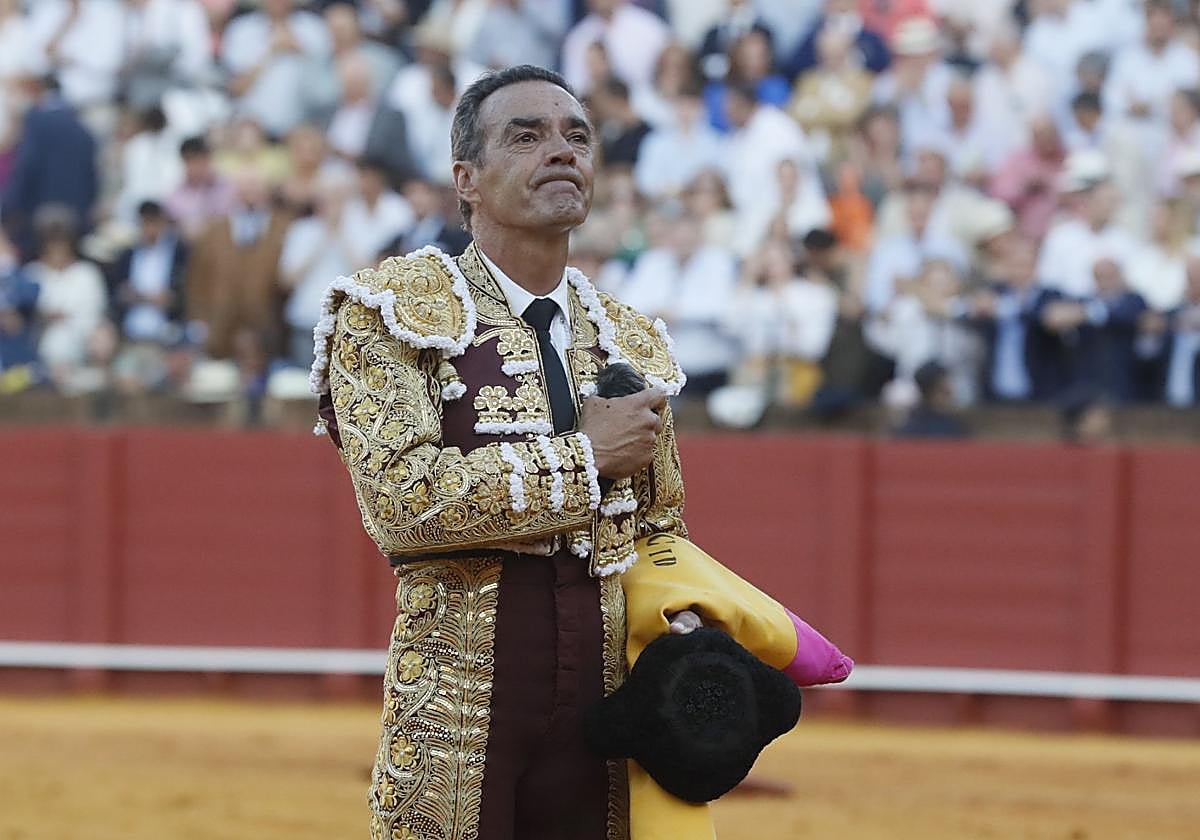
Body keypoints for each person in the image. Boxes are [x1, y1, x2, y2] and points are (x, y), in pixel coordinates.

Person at [311, 65, 694, 840]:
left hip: (607, 697)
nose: (562, 151)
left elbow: (659, 528)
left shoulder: (630, 335)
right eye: (527, 136)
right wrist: (583, 459)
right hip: (456, 697)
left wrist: (693, 639)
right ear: (467, 179)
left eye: (576, 136)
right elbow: (403, 504)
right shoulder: (389, 312)